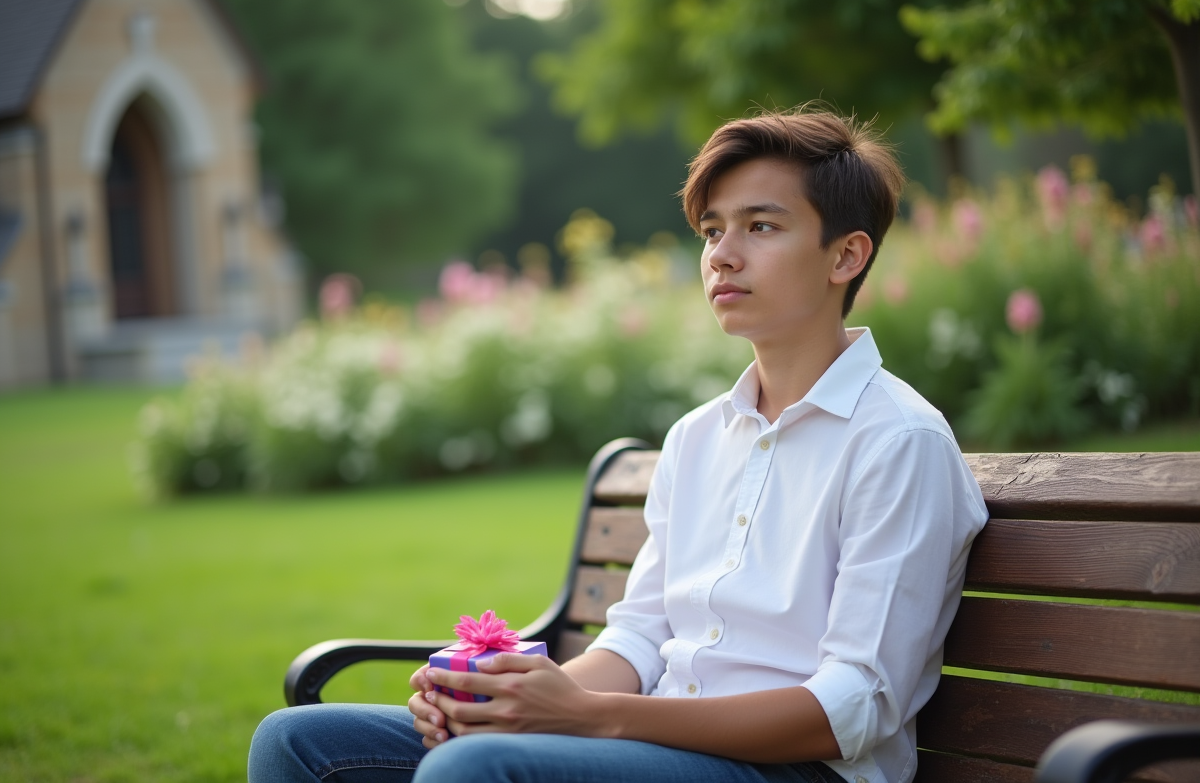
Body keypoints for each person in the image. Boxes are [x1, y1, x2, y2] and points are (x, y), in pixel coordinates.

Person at [247, 108, 989, 783]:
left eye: (761, 227)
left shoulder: (899, 442)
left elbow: (851, 709)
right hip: (657, 746)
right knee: (295, 743)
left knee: (471, 772)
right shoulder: (698, 438)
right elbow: (638, 640)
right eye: (711, 231)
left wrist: (588, 717)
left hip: (798, 772)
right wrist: (507, 699)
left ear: (845, 256)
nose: (723, 255)